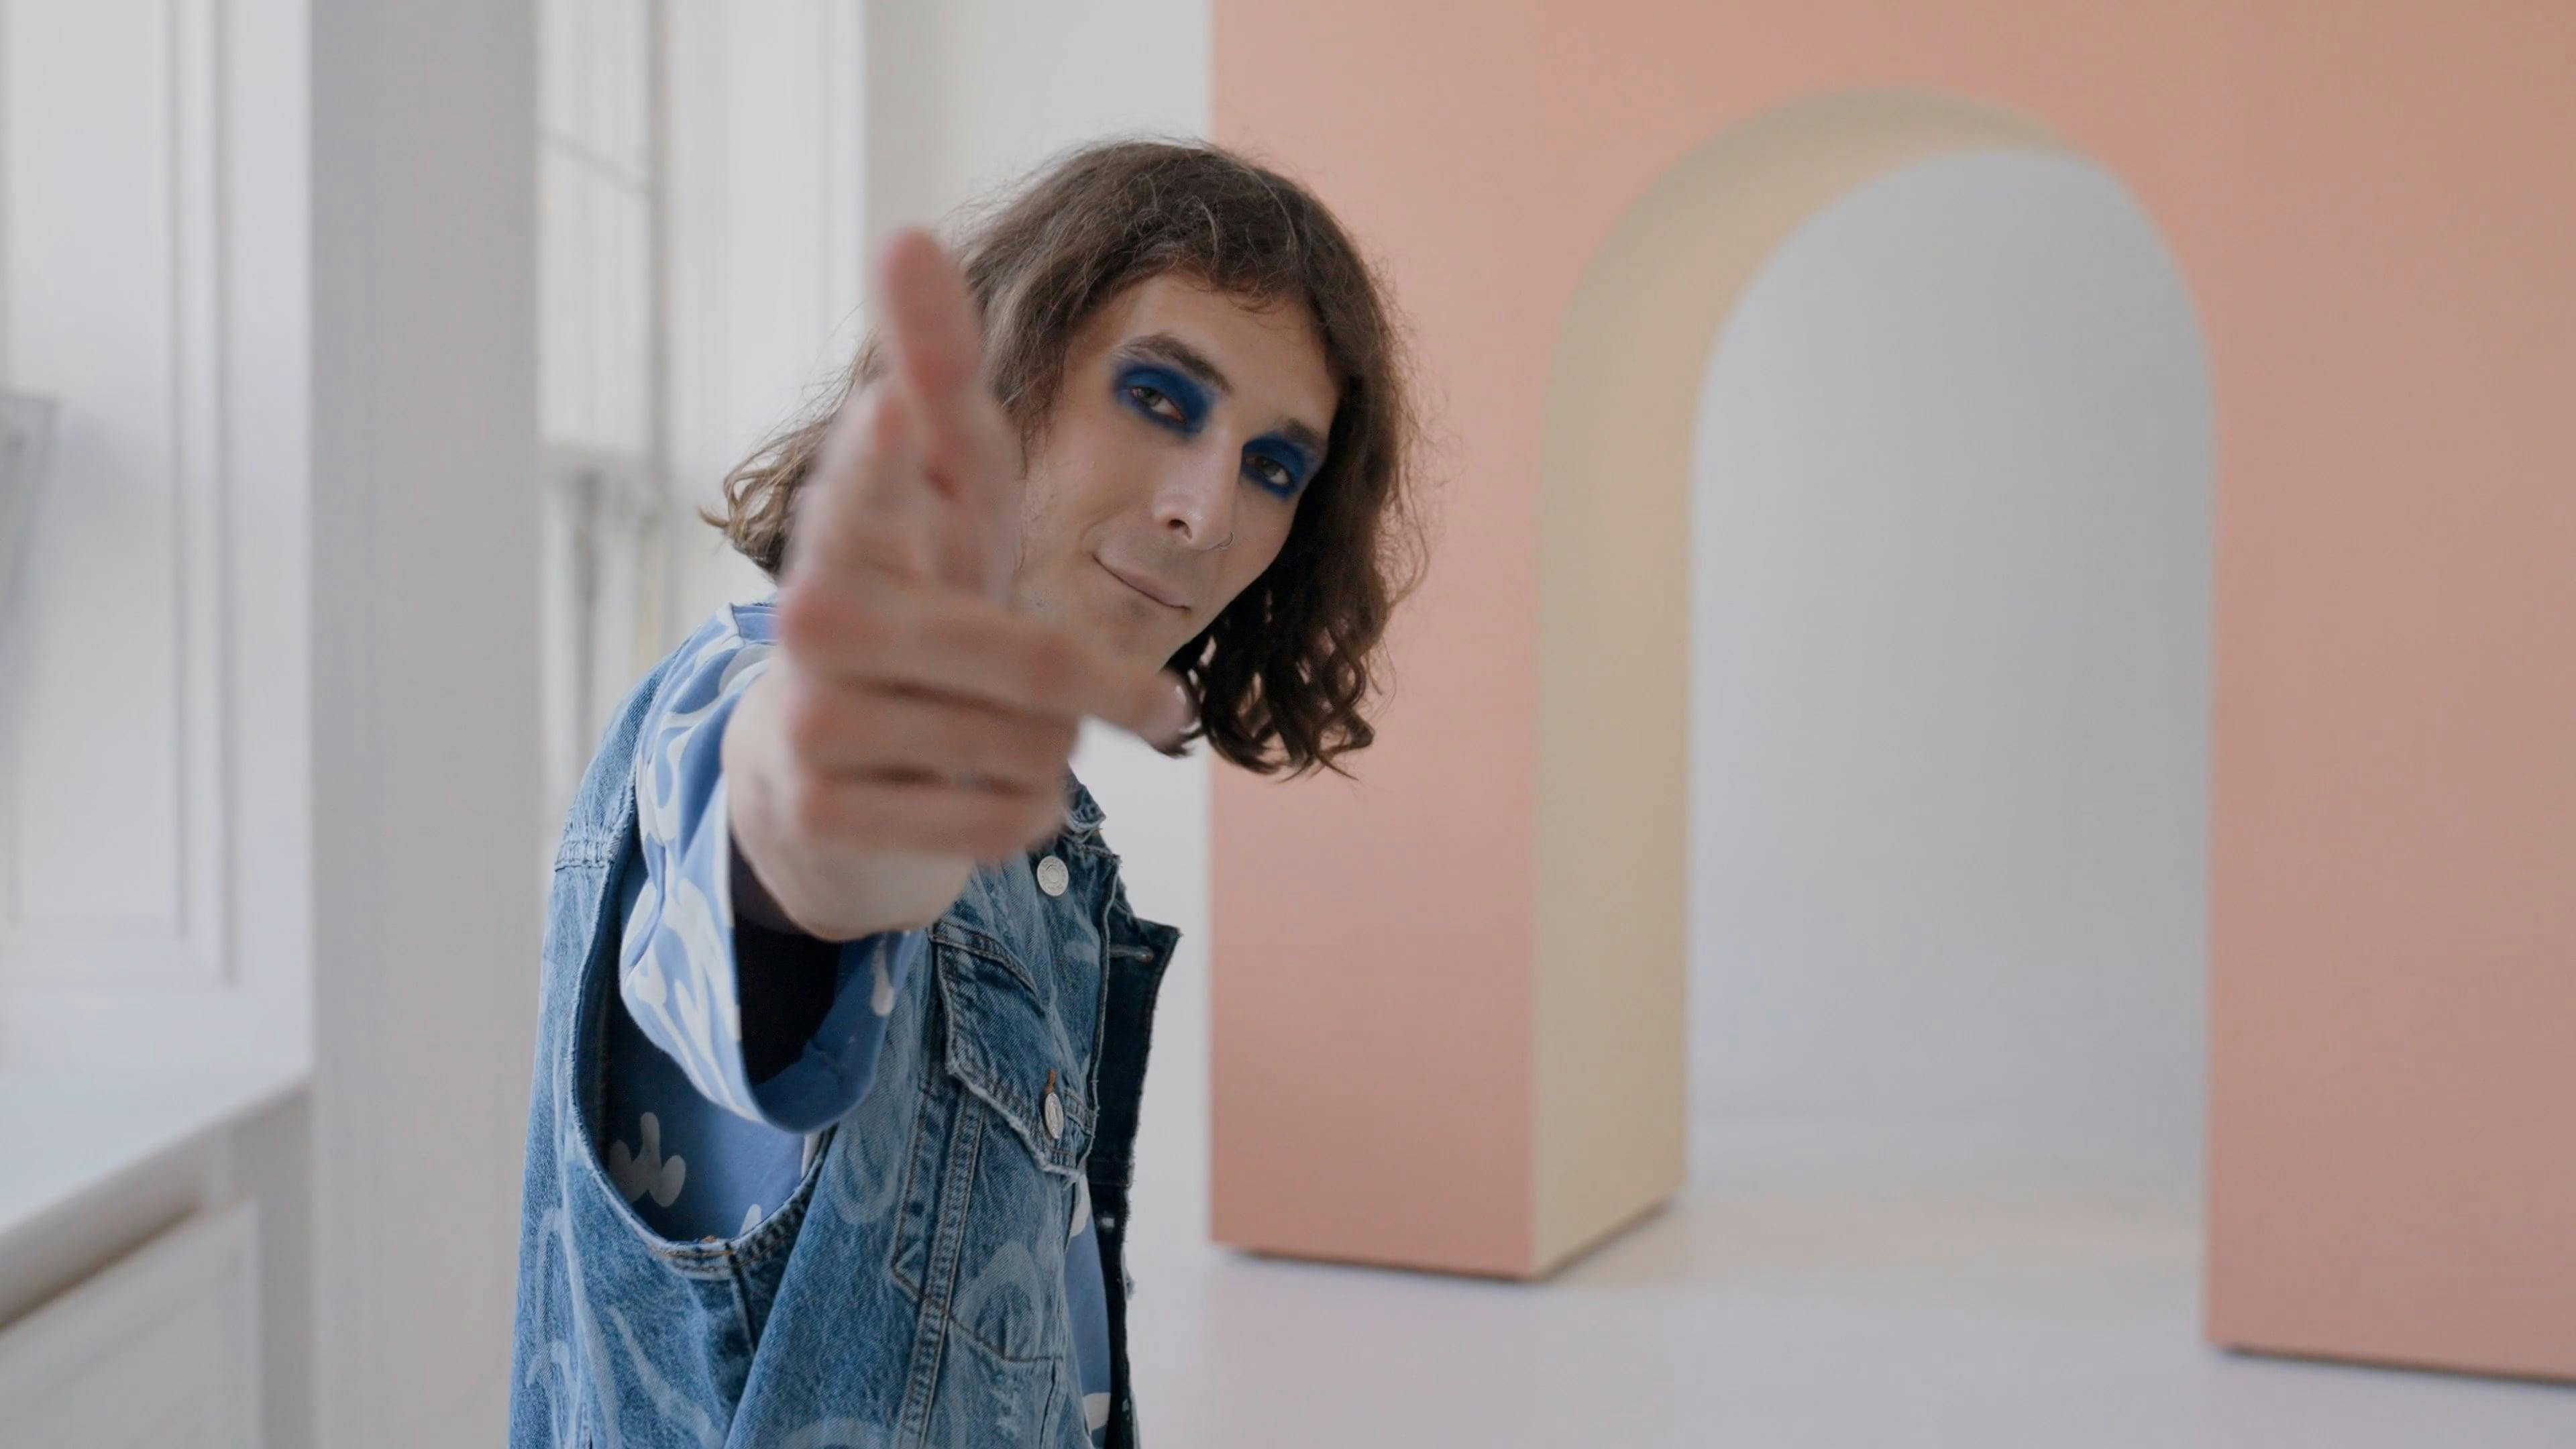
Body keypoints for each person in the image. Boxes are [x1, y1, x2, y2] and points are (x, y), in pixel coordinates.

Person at [508, 138, 1426, 1448]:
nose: (1210, 511)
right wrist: (811, 833)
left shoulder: (1050, 844)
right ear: (1004, 372)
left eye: (1275, 466)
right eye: (1159, 396)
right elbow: (776, 861)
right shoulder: (744, 703)